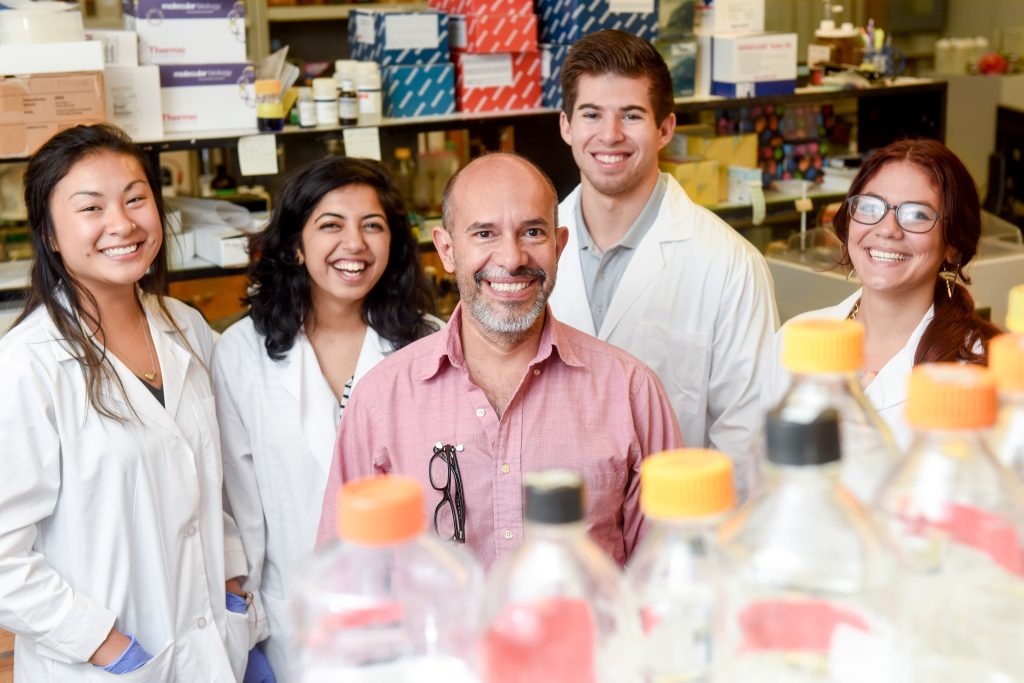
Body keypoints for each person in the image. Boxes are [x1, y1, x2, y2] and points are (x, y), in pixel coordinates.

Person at [316, 153, 683, 569]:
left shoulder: (631, 393)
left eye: (532, 231)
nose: (512, 258)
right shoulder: (381, 400)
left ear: (559, 246)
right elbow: (347, 585)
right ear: (447, 250)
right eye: (485, 233)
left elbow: (669, 582)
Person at [0, 124, 268, 681]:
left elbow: (212, 484)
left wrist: (233, 586)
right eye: (91, 207)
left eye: (136, 198)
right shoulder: (27, 364)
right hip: (110, 662)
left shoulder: (186, 326)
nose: (121, 224)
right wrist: (106, 645)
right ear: (49, 233)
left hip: (212, 644)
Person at [212, 156, 440, 679]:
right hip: (294, 621)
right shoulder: (242, 352)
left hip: (409, 615)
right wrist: (246, 622)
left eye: (373, 226)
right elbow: (238, 509)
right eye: (331, 225)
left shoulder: (429, 342)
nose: (354, 245)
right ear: (296, 245)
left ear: (395, 244)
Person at [549, 30, 780, 496]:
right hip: (553, 531)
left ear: (665, 129)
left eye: (631, 115)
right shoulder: (527, 254)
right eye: (592, 114)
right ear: (566, 126)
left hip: (675, 532)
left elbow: (747, 441)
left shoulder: (730, 265)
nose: (609, 135)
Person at [763, 138, 1002, 447]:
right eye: (870, 207)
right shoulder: (794, 340)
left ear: (953, 245)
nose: (888, 229)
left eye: (917, 215)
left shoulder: (980, 369)